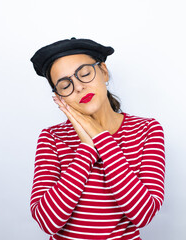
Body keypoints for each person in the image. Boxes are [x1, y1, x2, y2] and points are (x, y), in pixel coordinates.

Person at [29, 37, 166, 240]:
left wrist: (100, 137)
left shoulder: (147, 130)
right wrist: (86, 149)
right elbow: (47, 222)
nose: (78, 87)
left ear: (103, 71)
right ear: (59, 96)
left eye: (84, 74)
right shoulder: (52, 137)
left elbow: (143, 214)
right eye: (65, 85)